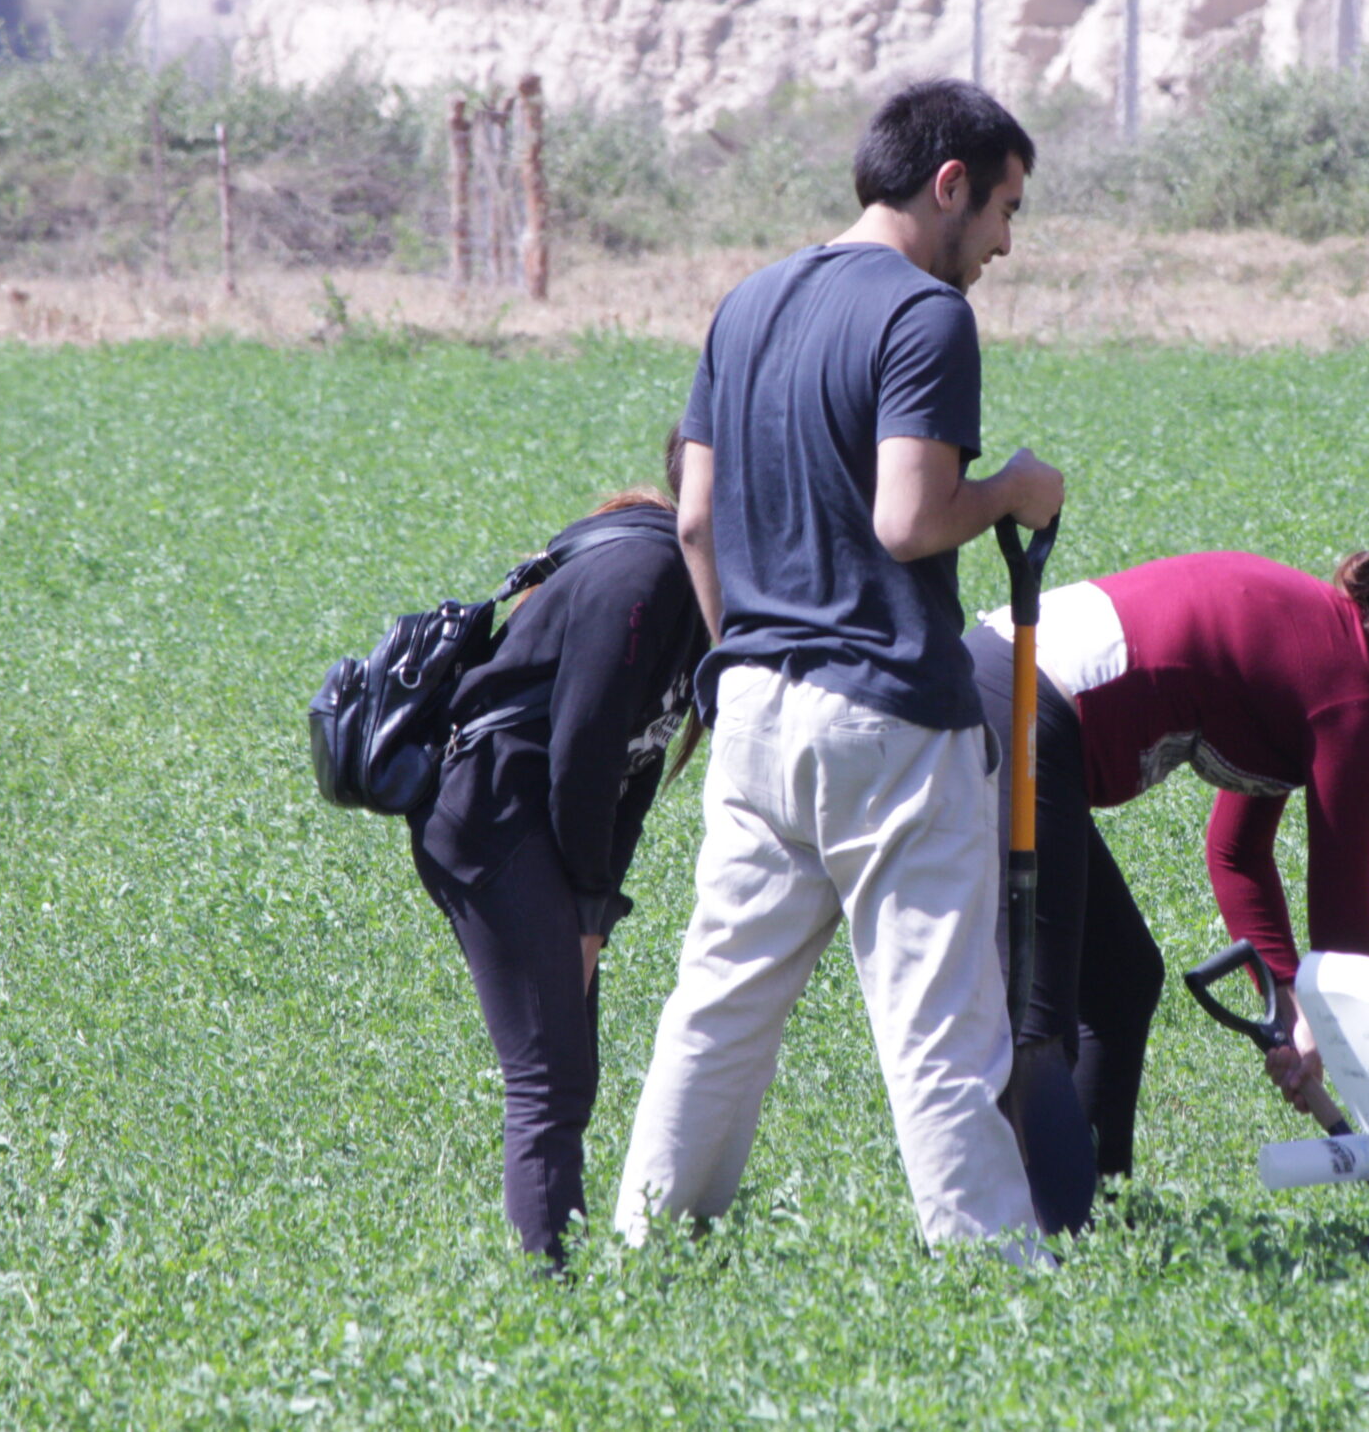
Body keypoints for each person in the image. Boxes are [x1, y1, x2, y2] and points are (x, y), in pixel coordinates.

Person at [612, 79, 1065, 1258]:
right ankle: (996, 1285)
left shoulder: (745, 304)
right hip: (888, 724)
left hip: (753, 709)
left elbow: (696, 522)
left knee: (715, 1012)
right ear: (948, 184)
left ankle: (645, 1256)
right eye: (1007, 208)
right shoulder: (925, 315)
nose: (1007, 244)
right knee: (940, 1032)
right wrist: (1015, 489)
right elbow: (910, 519)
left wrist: (741, 666)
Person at [965, 542, 1369, 1232]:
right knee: (1042, 1023)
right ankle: (1049, 1246)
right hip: (1019, 705)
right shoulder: (1346, 704)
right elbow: (1347, 935)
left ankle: (1100, 1226)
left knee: (1118, 981)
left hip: (1011, 686)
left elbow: (1237, 853)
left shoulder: (1324, 660)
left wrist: (1293, 1002)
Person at [407, 443, 709, 1266]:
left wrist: (596, 914)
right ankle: (552, 1311)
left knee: (569, 1073)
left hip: (535, 821)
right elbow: (581, 758)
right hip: (491, 814)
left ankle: (559, 1284)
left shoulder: (701, 589)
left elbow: (633, 773)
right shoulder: (647, 576)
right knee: (551, 1080)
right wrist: (583, 905)